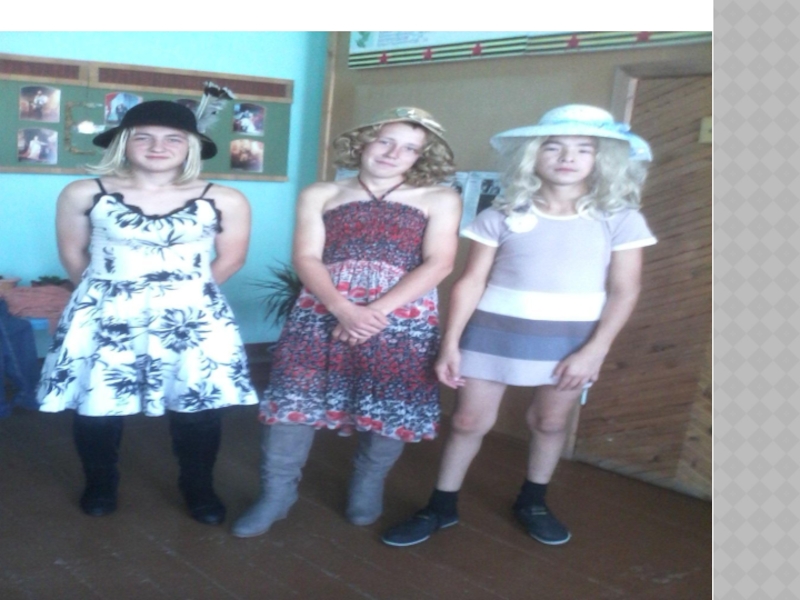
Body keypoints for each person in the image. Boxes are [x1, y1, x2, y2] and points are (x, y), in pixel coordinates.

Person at [381, 104, 657, 548]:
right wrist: (451, 343)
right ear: (533, 155)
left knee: (549, 422)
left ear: (600, 159)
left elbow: (626, 290)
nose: (567, 157)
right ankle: (441, 505)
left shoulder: (620, 218)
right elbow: (471, 282)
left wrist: (595, 351)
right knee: (467, 420)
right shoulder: (502, 213)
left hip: (571, 342)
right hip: (491, 335)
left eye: (583, 149)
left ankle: (533, 501)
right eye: (553, 147)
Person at [231, 107, 462, 538]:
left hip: (401, 319)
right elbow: (306, 257)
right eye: (385, 141)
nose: (393, 153)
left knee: (389, 402)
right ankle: (276, 495)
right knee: (293, 401)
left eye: (409, 148)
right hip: (321, 311)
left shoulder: (440, 197)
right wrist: (342, 308)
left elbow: (439, 263)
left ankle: (368, 484)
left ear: (421, 157)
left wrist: (374, 314)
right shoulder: (321, 192)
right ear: (364, 142)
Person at [36, 100, 258, 525]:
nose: (159, 146)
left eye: (173, 138)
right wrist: (112, 294)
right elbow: (73, 255)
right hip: (105, 312)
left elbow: (232, 259)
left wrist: (182, 296)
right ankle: (101, 483)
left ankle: (198, 487)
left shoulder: (225, 198)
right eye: (144, 136)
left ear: (191, 146)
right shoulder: (83, 192)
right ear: (124, 142)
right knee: (97, 404)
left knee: (197, 406)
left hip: (192, 315)